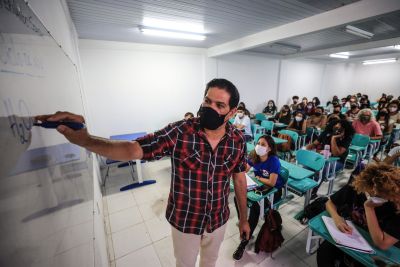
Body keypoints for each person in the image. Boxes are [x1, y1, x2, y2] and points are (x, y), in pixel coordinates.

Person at [36, 78, 251, 267]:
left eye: (219, 105)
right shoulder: (180, 132)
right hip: (186, 220)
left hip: (218, 219)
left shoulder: (237, 140)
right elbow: (134, 149)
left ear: (232, 112)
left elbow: (239, 179)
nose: (209, 108)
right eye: (207, 101)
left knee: (210, 262)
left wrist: (243, 219)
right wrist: (87, 140)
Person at [316, 163, 400, 267]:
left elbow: (382, 244)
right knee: (323, 254)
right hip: (351, 237)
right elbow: (330, 203)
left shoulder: (396, 206)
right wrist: (337, 219)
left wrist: (369, 208)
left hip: (375, 251)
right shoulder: (358, 188)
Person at [232, 135, 283, 260]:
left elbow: (271, 182)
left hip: (273, 191)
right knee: (237, 198)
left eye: (263, 144)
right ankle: (244, 223)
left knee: (255, 207)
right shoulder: (254, 156)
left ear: (269, 148)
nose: (259, 146)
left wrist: (259, 178)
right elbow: (245, 170)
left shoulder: (273, 160)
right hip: (258, 186)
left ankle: (244, 240)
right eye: (258, 143)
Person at [306, 119, 354, 197]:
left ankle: (313, 191)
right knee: (307, 166)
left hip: (337, 161)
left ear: (345, 129)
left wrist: (333, 138)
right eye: (335, 127)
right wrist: (306, 149)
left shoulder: (347, 138)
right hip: (323, 157)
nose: (337, 129)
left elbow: (336, 154)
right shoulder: (326, 133)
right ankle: (307, 187)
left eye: (340, 128)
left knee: (322, 169)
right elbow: (314, 144)